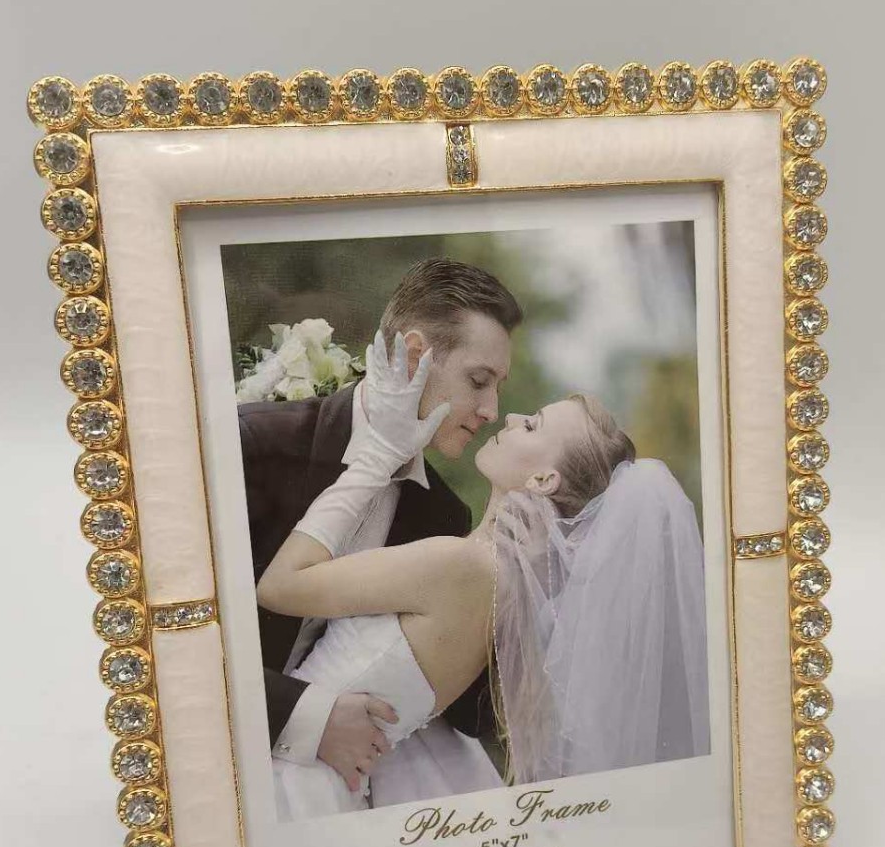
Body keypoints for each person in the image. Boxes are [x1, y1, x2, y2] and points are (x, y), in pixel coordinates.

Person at [256, 329, 712, 818]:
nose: (510, 417)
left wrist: (375, 459)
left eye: (532, 426)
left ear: (543, 480)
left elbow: (279, 586)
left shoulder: (459, 566)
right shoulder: (505, 587)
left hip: (293, 781)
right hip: (328, 784)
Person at [238, 258, 520, 816]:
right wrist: (305, 717)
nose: (492, 410)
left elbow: (469, 713)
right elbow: (179, 644)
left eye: (497, 387)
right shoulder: (256, 445)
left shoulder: (444, 514)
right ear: (415, 356)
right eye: (478, 381)